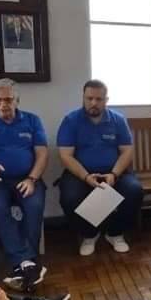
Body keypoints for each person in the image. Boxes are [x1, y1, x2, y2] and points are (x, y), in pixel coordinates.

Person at [0, 78, 48, 292]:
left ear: (17, 100)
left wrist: (32, 179)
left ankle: (23, 264)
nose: (3, 104)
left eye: (8, 99)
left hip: (27, 178)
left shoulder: (32, 120)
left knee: (34, 205)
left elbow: (42, 155)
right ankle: (28, 262)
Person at [57, 79, 144, 256]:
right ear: (83, 98)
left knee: (134, 191)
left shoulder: (118, 120)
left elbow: (127, 151)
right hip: (80, 174)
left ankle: (115, 233)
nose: (93, 103)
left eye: (98, 99)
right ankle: (89, 235)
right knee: (69, 198)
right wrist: (86, 177)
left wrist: (114, 174)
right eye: (89, 98)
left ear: (106, 100)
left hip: (114, 172)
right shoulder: (70, 120)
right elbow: (65, 155)